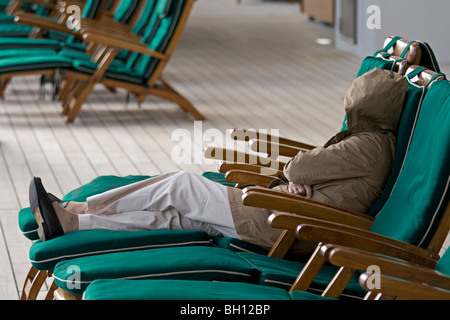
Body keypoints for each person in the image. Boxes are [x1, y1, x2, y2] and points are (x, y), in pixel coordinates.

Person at [29, 68, 407, 250]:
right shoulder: (372, 141)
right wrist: (301, 180)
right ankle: (77, 225)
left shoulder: (370, 145)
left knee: (181, 185)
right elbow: (316, 173)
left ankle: (78, 209)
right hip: (290, 214)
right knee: (174, 219)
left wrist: (297, 177)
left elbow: (299, 167)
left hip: (282, 220)